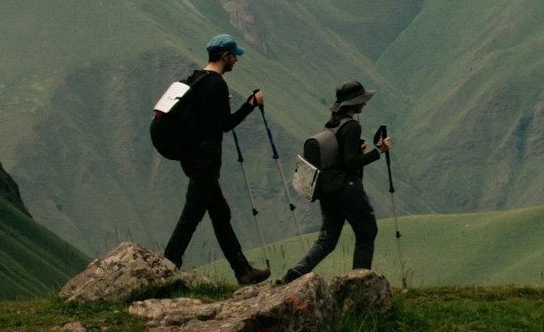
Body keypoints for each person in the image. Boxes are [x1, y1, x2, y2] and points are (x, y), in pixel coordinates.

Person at [162, 34, 270, 285]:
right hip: (205, 161)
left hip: (190, 157)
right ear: (225, 56)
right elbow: (225, 125)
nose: (236, 61)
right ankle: (168, 264)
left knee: (220, 213)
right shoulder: (217, 84)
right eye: (234, 56)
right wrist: (251, 104)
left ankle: (242, 270)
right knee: (192, 215)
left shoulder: (196, 79)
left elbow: (204, 118)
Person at [282, 80, 391, 282]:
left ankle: (295, 273)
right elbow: (350, 163)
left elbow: (340, 158)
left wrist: (357, 153)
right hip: (347, 188)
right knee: (367, 232)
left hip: (327, 189)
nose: (364, 104)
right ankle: (359, 282)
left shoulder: (331, 124)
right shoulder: (351, 126)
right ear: (355, 103)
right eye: (362, 101)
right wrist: (378, 152)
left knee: (327, 239)